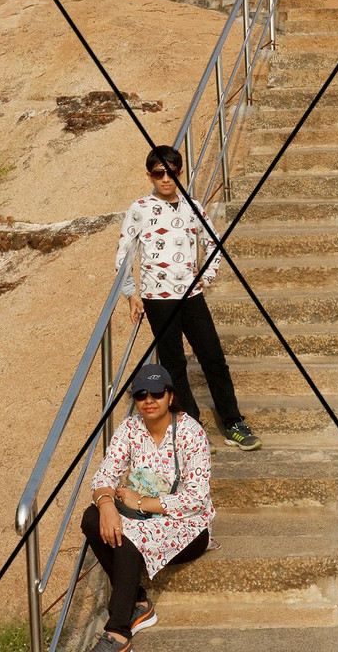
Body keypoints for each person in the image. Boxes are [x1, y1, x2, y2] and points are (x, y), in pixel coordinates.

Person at [115, 144, 261, 451]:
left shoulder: (193, 207)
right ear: (150, 175)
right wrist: (131, 294)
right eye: (159, 174)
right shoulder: (139, 208)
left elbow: (213, 244)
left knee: (214, 359)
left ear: (181, 174)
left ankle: (233, 421)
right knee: (174, 363)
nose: (166, 180)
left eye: (172, 173)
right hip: (157, 298)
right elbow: (124, 253)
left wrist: (206, 277)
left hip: (192, 296)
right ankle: (191, 425)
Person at [80, 364, 214, 652]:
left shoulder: (191, 433)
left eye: (156, 393)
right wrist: (106, 505)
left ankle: (118, 631)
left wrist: (141, 502)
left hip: (186, 525)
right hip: (140, 519)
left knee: (128, 539)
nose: (149, 400)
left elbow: (197, 497)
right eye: (141, 394)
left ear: (170, 396)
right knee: (92, 518)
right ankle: (138, 601)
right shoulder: (129, 429)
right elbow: (104, 476)